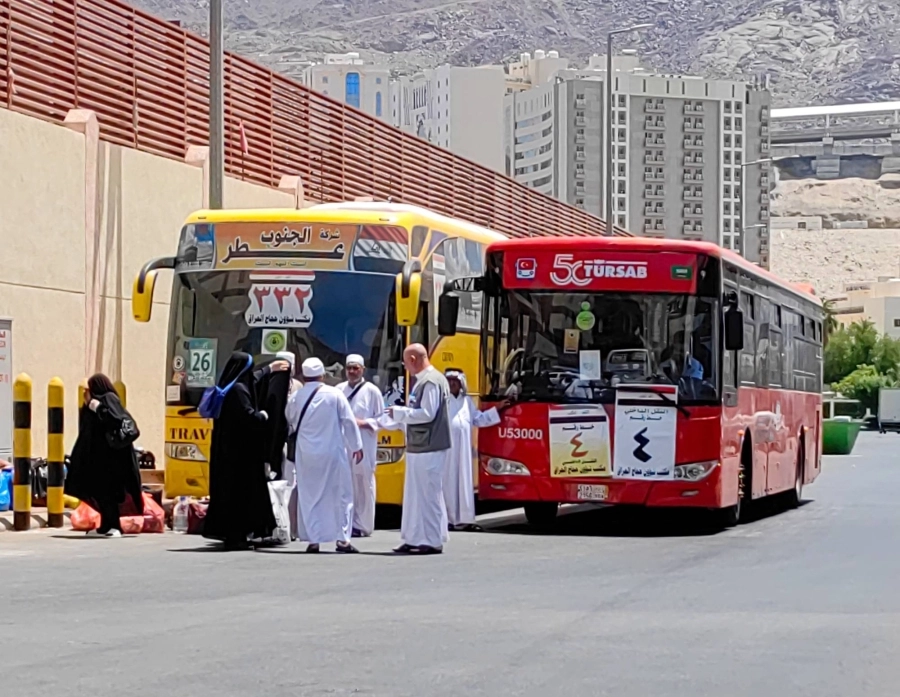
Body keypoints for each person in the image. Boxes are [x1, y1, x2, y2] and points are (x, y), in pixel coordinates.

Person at [203, 352, 290, 550]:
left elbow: (255, 377)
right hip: (238, 458)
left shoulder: (230, 387)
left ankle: (235, 534)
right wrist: (264, 415)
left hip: (229, 456)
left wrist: (270, 369)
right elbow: (249, 417)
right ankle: (236, 537)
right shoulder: (239, 392)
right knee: (238, 496)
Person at [287, 357, 364, 554]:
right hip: (332, 452)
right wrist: (357, 446)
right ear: (322, 374)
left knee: (310, 495)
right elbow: (348, 421)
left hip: (306, 455)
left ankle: (313, 540)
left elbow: (290, 419)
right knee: (342, 495)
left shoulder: (296, 397)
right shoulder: (335, 394)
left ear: (304, 376)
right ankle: (343, 540)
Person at [386, 344, 453, 555]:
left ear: (413, 358)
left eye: (405, 362)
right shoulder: (422, 381)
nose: (405, 367)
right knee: (415, 495)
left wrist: (400, 413)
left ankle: (432, 540)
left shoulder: (431, 381)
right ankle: (414, 537)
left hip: (429, 446)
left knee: (428, 493)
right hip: (419, 446)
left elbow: (427, 414)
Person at [65, 374, 143, 538]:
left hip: (112, 458)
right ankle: (105, 525)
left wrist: (98, 407)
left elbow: (115, 419)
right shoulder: (93, 404)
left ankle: (114, 526)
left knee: (109, 492)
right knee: (100, 492)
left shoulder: (108, 399)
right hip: (98, 458)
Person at [443, 369, 503, 532]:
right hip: (447, 450)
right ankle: (448, 520)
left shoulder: (466, 401)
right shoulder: (441, 401)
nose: (452, 383)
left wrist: (497, 410)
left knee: (464, 481)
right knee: (448, 482)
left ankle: (465, 519)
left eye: (455, 380)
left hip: (463, 451)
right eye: (449, 381)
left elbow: (478, 419)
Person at [336, 354, 384, 538]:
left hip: (364, 444)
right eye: (349, 368)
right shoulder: (339, 390)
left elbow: (381, 419)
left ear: (362, 370)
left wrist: (361, 423)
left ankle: (363, 525)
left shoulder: (372, 391)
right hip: (343, 444)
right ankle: (346, 523)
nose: (352, 372)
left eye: (355, 368)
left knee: (363, 483)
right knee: (344, 484)